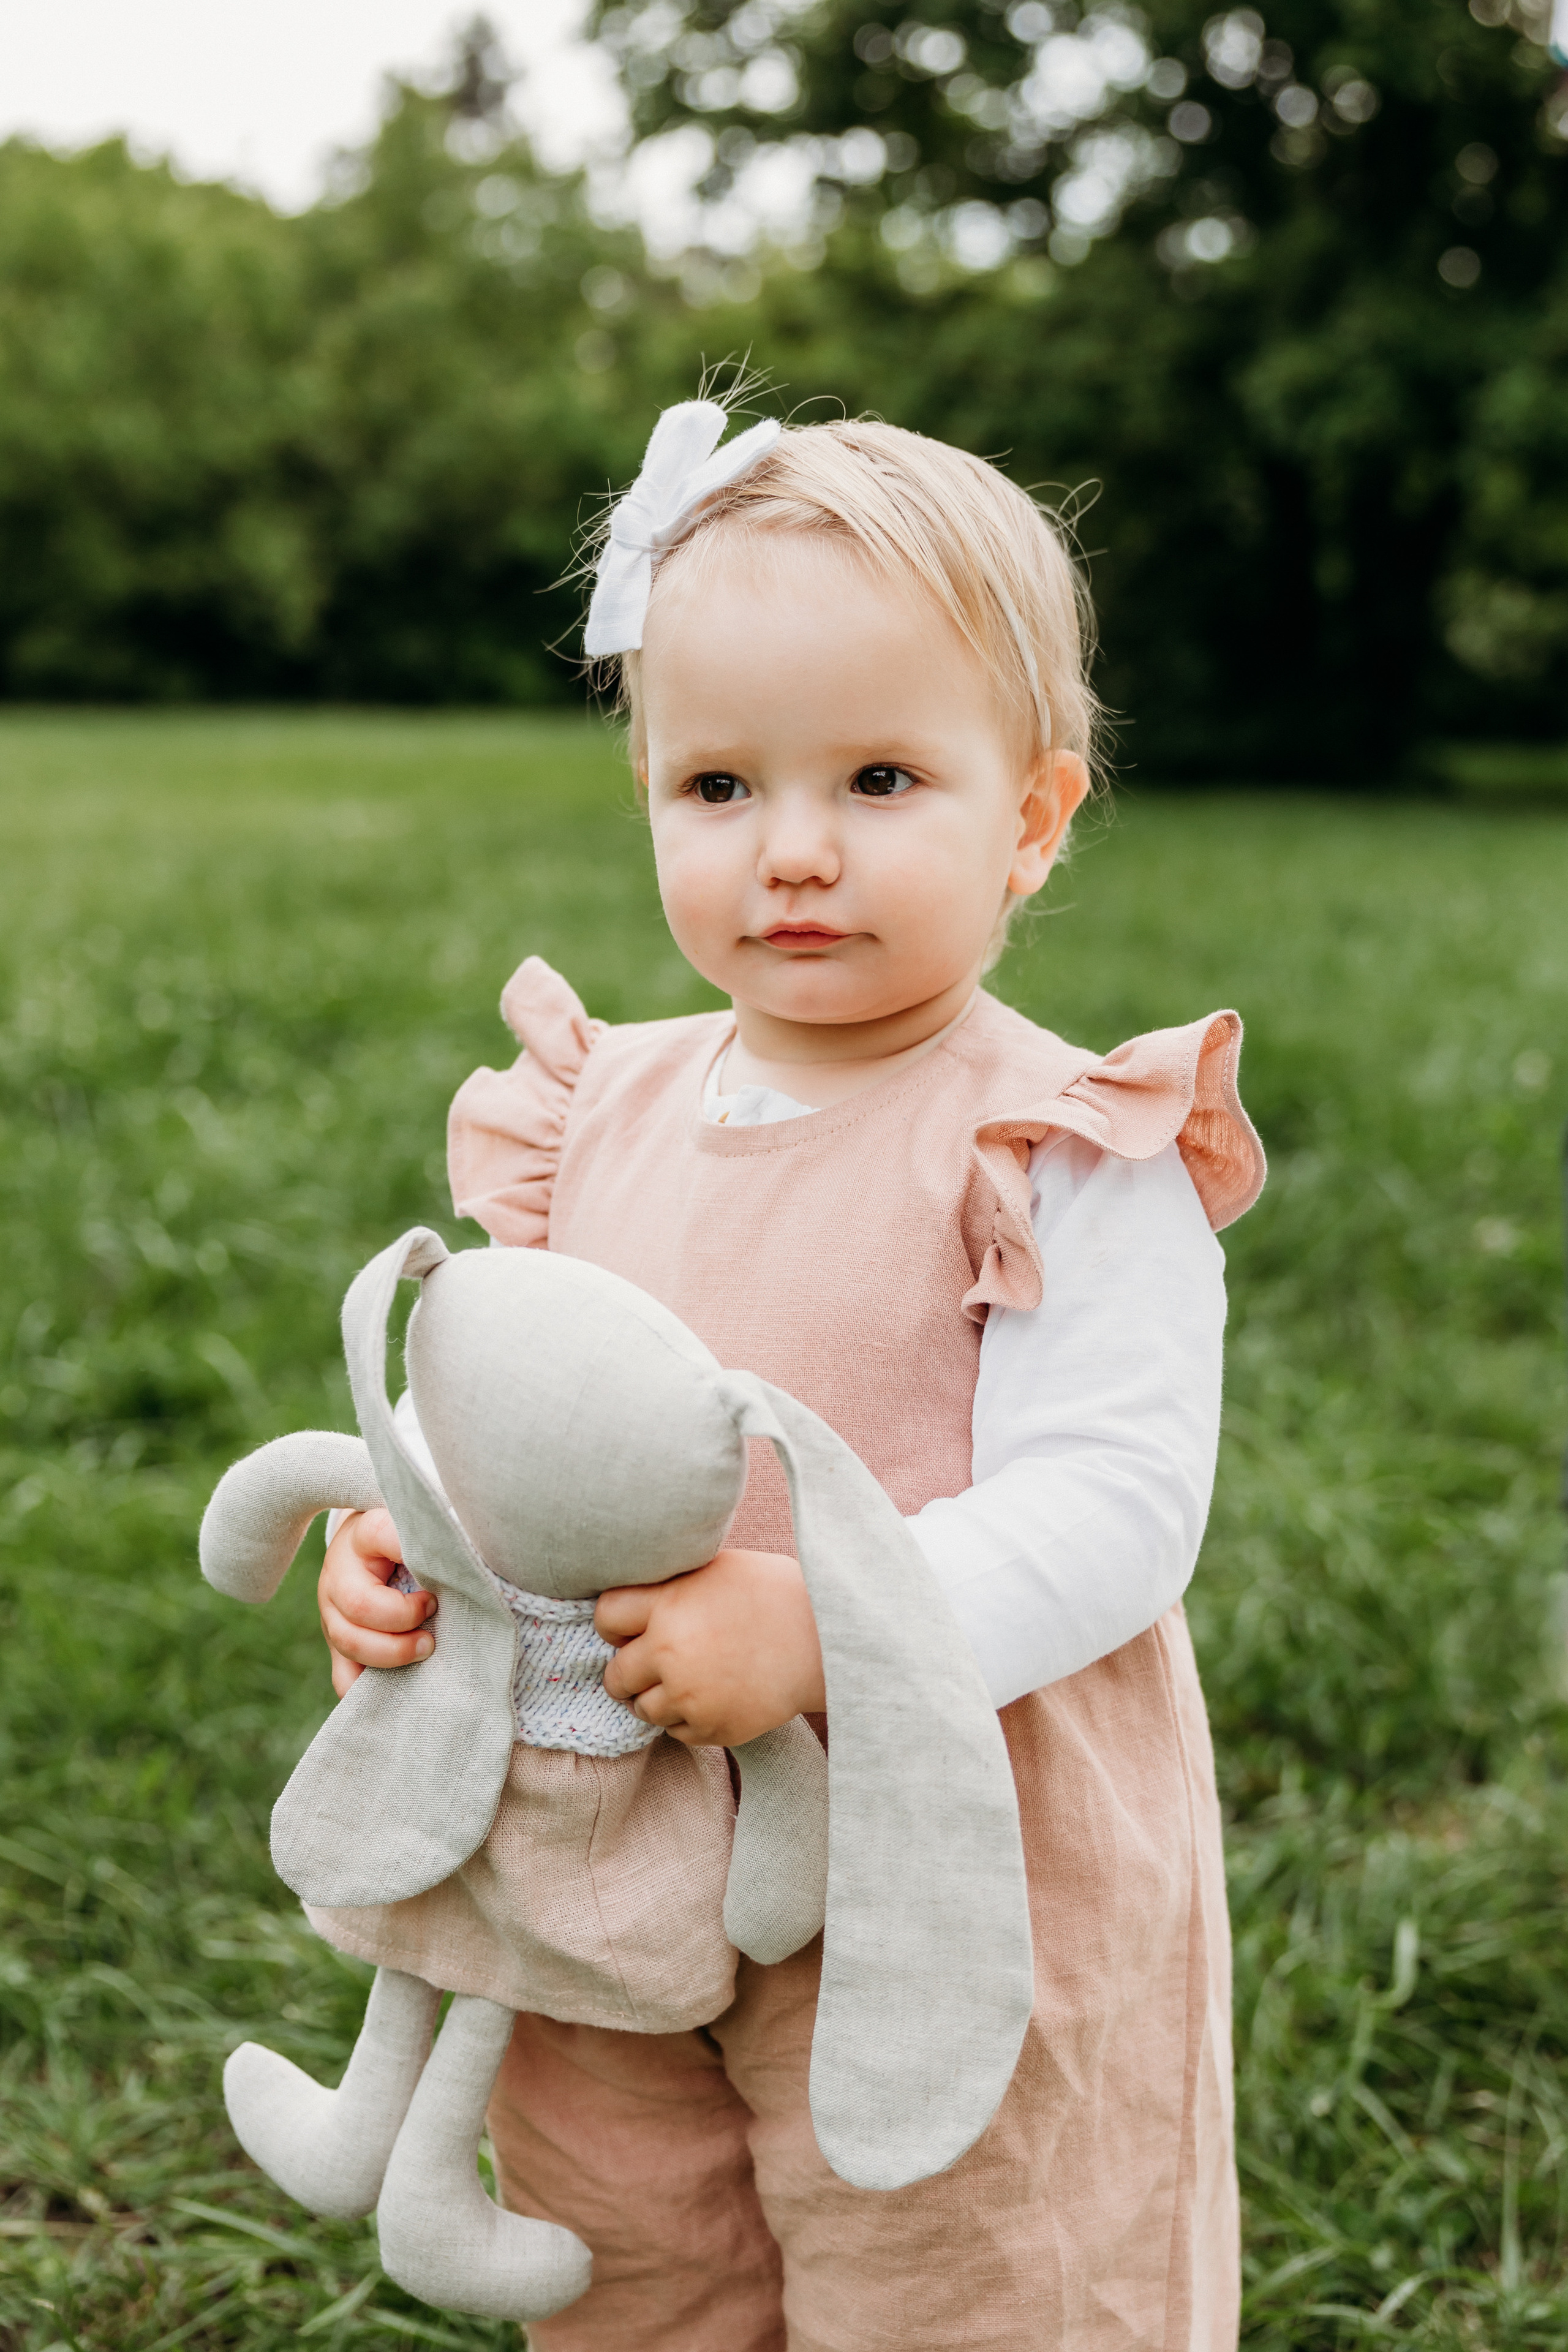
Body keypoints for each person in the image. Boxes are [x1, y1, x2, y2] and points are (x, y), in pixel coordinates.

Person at [314, 400, 1265, 2352]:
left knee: (975, 2258)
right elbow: (518, 1391)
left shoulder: (1063, 1143)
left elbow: (1117, 1507)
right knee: (629, 2247)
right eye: (722, 785)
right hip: (610, 1830)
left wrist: (824, 1620)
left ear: (1033, 815)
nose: (797, 851)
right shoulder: (595, 1105)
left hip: (948, 1852)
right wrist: (403, 1534)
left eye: (884, 777)